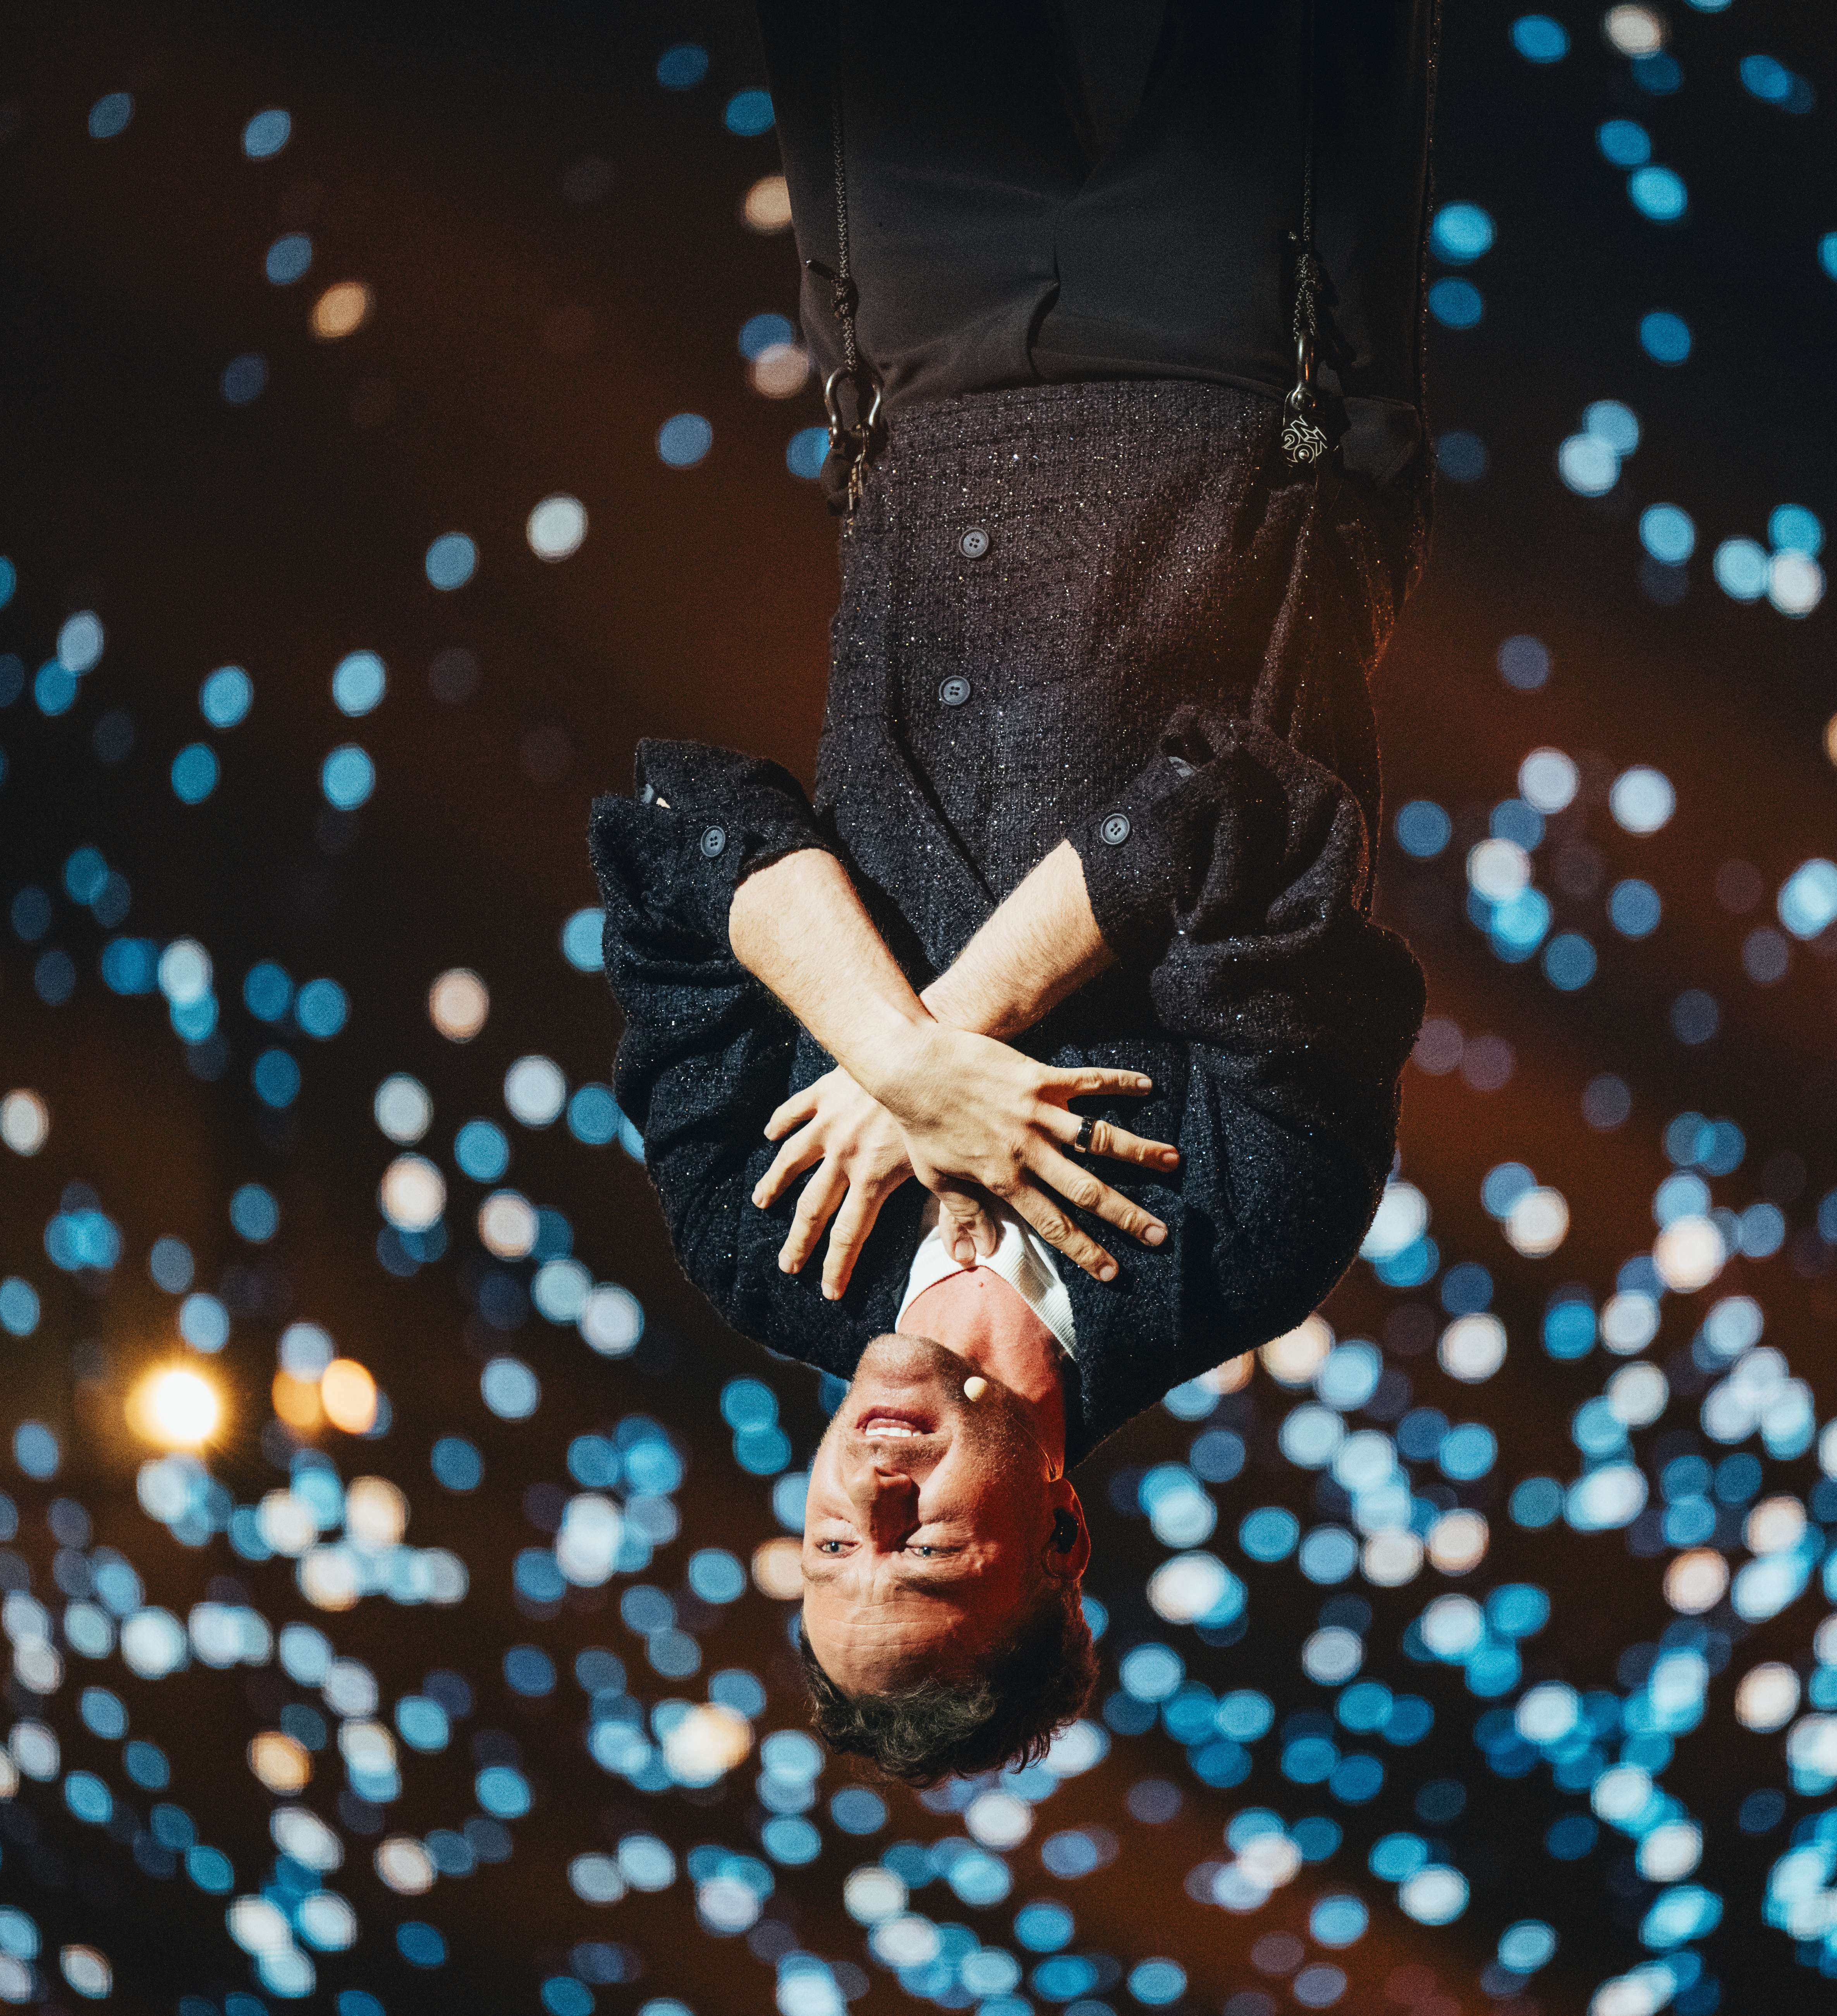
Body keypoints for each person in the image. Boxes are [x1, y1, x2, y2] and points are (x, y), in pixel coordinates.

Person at [589, 0, 1440, 1784]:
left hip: (923, 341)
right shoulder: (1247, 1238)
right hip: (1234, 322)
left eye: (834, 1545)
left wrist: (901, 1059)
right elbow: (1250, 810)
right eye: (928, 1543)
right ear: (1059, 1538)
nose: (871, 1490)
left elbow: (676, 823)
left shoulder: (757, 1241)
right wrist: (934, 1049)